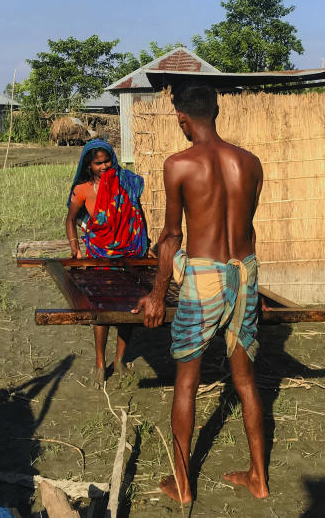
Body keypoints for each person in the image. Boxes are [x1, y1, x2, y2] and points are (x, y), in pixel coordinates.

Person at [132, 80, 268, 503]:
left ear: (183, 119)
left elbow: (171, 237)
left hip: (205, 277)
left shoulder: (180, 164)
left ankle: (183, 485)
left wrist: (157, 295)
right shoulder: (251, 163)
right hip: (245, 272)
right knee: (245, 381)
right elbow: (249, 230)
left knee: (187, 383)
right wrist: (254, 288)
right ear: (217, 113)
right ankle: (260, 479)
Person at [65, 139, 149, 387]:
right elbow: (70, 220)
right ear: (88, 165)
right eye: (98, 163)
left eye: (107, 161)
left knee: (129, 308)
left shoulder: (126, 183)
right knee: (101, 311)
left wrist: (144, 243)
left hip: (129, 252)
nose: (104, 166)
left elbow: (136, 214)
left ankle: (120, 359)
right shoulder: (82, 190)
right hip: (98, 255)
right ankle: (101, 364)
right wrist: (74, 248)